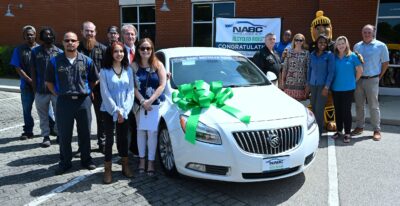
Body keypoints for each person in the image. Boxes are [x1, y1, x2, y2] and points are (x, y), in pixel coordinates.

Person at [46, 32, 98, 175]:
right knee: (64, 134)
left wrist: (87, 91)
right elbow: (49, 82)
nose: (70, 43)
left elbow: (94, 79)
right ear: (62, 43)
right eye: (67, 40)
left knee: (85, 133)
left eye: (73, 40)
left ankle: (86, 159)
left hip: (83, 102)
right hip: (64, 102)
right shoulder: (54, 61)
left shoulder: (87, 61)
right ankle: (65, 162)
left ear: (77, 43)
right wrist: (58, 94)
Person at [100, 41, 134, 183]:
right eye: (116, 51)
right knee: (109, 140)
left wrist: (124, 110)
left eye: (121, 51)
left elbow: (131, 91)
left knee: (123, 139)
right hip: (108, 110)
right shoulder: (104, 71)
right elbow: (105, 93)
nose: (119, 54)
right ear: (111, 53)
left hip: (125, 111)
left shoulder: (128, 70)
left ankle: (125, 166)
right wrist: (116, 111)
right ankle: (107, 170)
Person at [133, 38, 166, 176]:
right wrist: (142, 101)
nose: (145, 51)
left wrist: (150, 101)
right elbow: (132, 87)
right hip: (139, 105)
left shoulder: (158, 64)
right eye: (142, 48)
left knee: (152, 133)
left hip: (155, 105)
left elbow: (162, 85)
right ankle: (142, 160)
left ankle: (151, 161)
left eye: (148, 48)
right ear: (138, 50)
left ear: (152, 50)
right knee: (140, 131)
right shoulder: (133, 66)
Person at [352, 24, 389, 141]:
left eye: (369, 32)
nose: (367, 34)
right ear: (362, 33)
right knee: (359, 105)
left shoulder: (381, 46)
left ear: (373, 33)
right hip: (359, 80)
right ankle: (359, 127)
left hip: (372, 79)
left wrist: (378, 76)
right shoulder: (357, 46)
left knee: (373, 106)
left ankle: (376, 129)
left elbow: (385, 63)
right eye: (364, 32)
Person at [77, 21, 107, 153]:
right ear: (82, 32)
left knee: (101, 118)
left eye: (91, 31)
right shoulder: (77, 50)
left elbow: (107, 68)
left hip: (99, 89)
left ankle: (102, 143)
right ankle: (84, 146)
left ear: (95, 32)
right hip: (82, 90)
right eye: (86, 30)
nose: (89, 33)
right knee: (83, 119)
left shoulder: (103, 49)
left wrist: (95, 83)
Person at [31, 27, 63, 147]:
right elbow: (33, 70)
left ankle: (59, 134)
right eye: (45, 34)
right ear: (41, 36)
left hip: (55, 90)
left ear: (53, 36)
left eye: (50, 34)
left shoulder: (59, 52)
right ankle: (45, 136)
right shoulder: (35, 52)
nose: (48, 36)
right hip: (40, 89)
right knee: (43, 115)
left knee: (58, 114)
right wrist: (34, 89)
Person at [331, 36, 363, 143]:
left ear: (346, 44)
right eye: (338, 44)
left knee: (346, 111)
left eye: (342, 44)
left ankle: (347, 133)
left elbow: (360, 70)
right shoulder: (334, 57)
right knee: (338, 110)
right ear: (336, 45)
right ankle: (339, 131)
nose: (341, 46)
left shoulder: (352, 56)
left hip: (348, 88)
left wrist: (354, 80)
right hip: (335, 88)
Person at [10, 25, 39, 140]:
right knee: (26, 109)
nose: (30, 36)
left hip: (40, 86)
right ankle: (28, 131)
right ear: (24, 36)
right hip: (26, 86)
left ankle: (51, 129)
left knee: (46, 109)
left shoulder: (40, 49)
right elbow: (17, 67)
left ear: (35, 35)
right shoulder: (19, 49)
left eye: (31, 34)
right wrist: (29, 80)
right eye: (27, 34)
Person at [307, 35, 335, 136]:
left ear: (327, 44)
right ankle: (314, 128)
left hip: (323, 86)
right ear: (316, 44)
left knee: (319, 109)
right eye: (320, 42)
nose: (322, 44)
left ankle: (318, 132)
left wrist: (327, 87)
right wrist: (308, 84)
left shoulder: (329, 55)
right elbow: (309, 70)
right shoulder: (312, 54)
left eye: (324, 42)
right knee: (313, 108)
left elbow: (331, 72)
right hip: (313, 85)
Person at [121, 24, 139, 156]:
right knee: (125, 124)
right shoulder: (118, 50)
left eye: (132, 34)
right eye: (127, 34)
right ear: (123, 36)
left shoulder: (142, 49)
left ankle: (135, 148)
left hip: (139, 92)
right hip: (123, 92)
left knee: (137, 122)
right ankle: (123, 151)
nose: (130, 36)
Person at [282, 33, 310, 101]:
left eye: (301, 40)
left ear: (303, 42)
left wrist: (307, 84)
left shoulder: (306, 53)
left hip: (301, 84)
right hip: (289, 83)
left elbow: (308, 69)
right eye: (296, 40)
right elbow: (285, 67)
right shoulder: (289, 52)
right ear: (294, 41)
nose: (298, 42)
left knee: (300, 105)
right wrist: (282, 81)